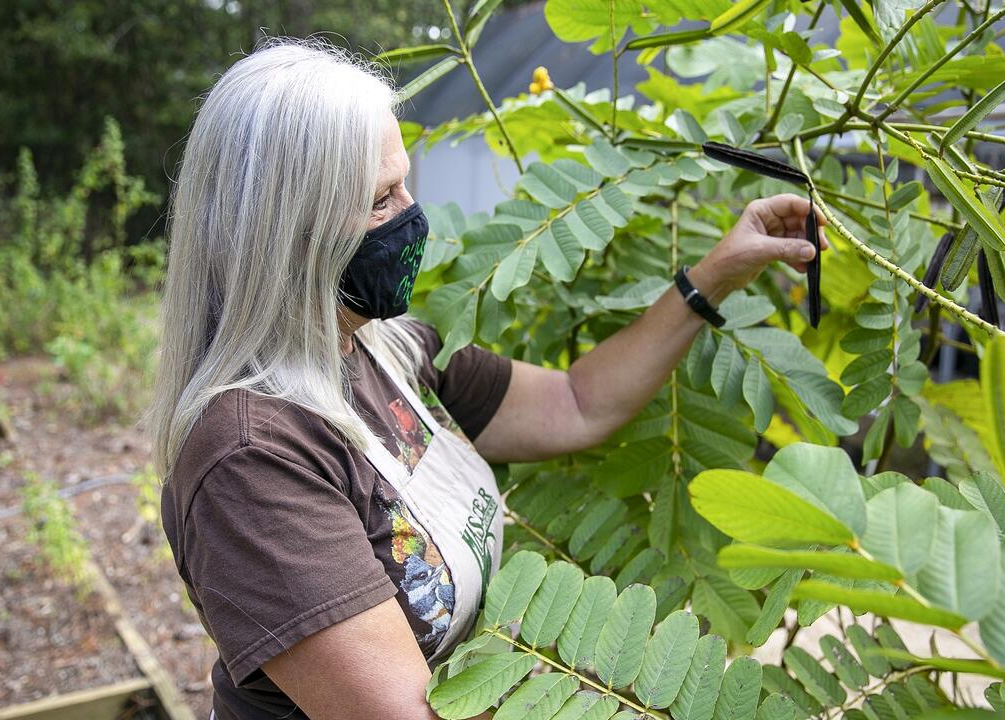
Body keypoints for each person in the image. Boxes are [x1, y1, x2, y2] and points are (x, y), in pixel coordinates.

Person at [146, 39, 827, 720]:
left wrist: (712, 278)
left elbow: (576, 403)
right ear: (287, 232)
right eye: (383, 199)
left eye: (404, 182)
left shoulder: (389, 351)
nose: (413, 213)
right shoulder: (252, 459)